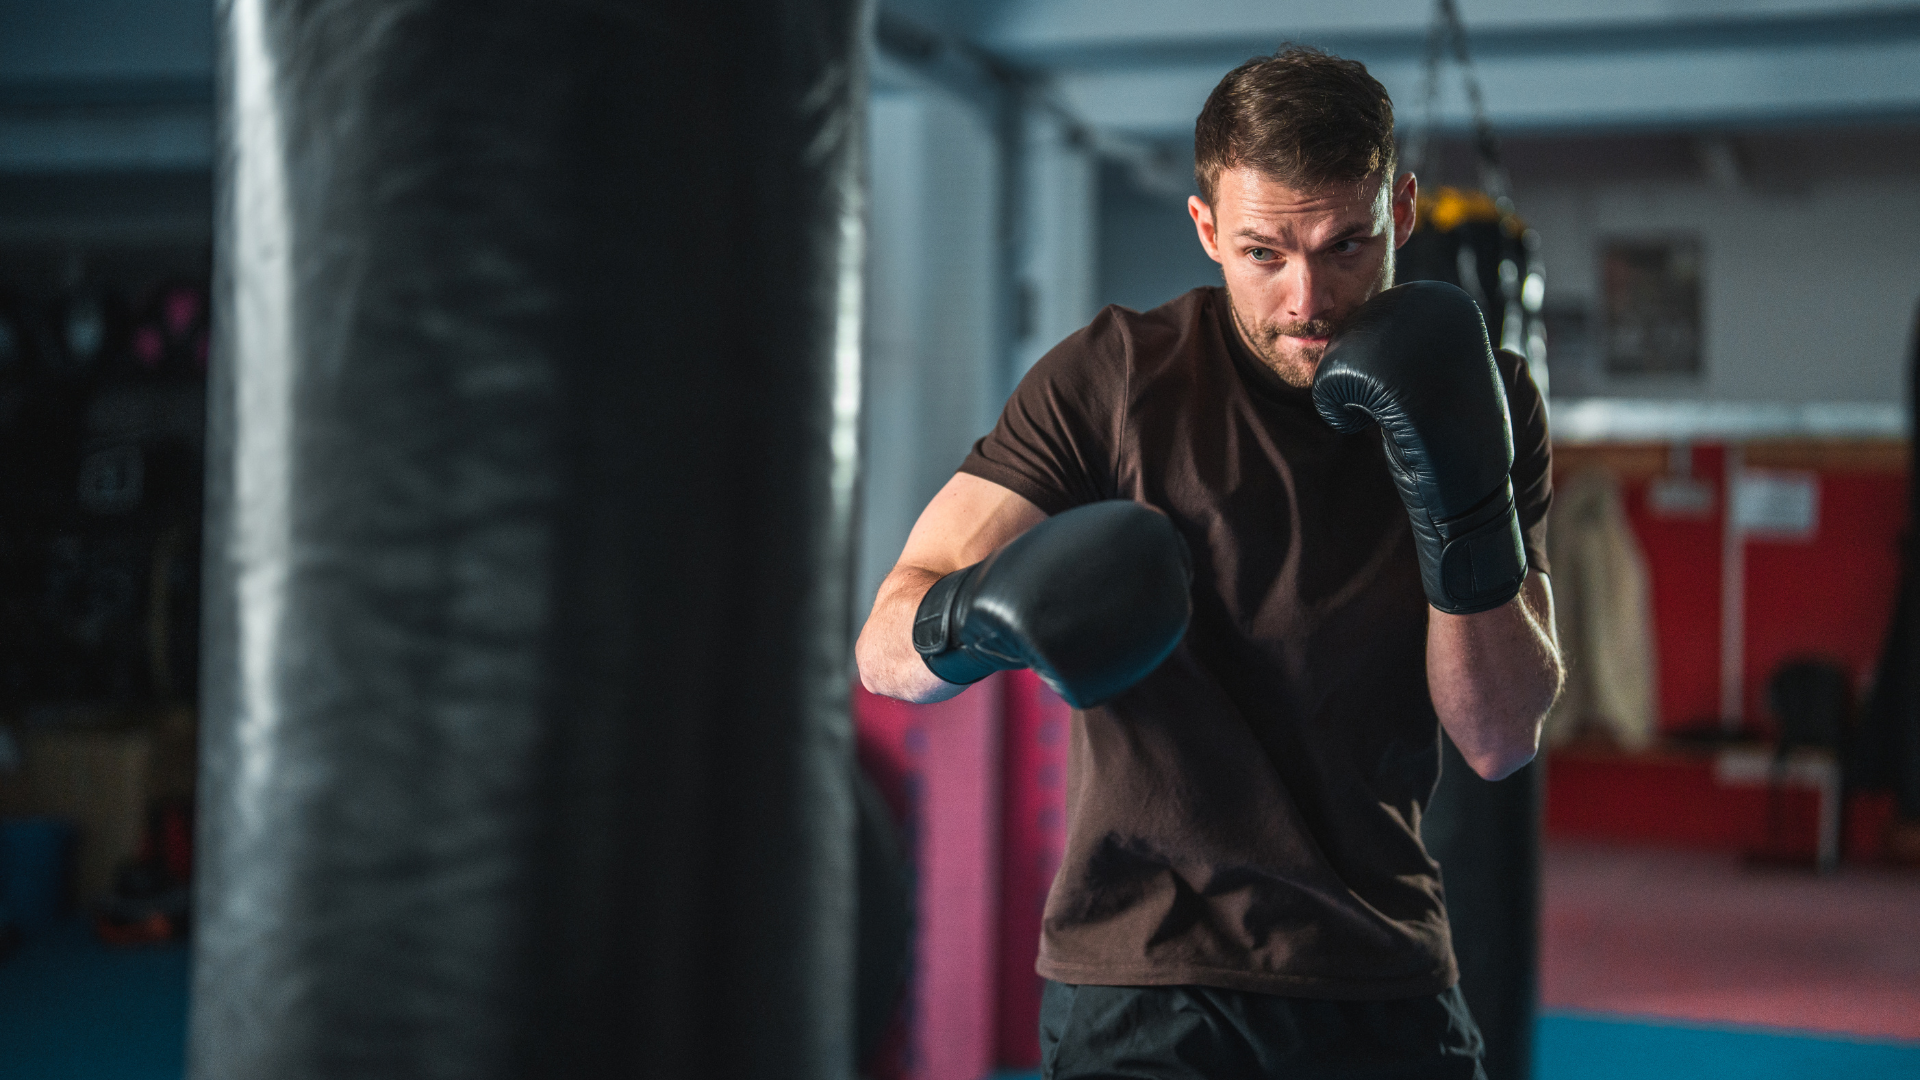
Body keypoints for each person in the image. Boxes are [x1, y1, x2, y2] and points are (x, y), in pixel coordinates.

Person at [855, 47, 1562, 1079]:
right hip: (1148, 983)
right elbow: (883, 643)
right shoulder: (1114, 381)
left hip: (1387, 974)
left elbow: (1498, 737)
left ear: (1401, 211)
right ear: (1204, 231)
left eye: (1346, 245)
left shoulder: (1484, 400)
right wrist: (983, 617)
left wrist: (1458, 514)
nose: (1306, 298)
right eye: (1264, 252)